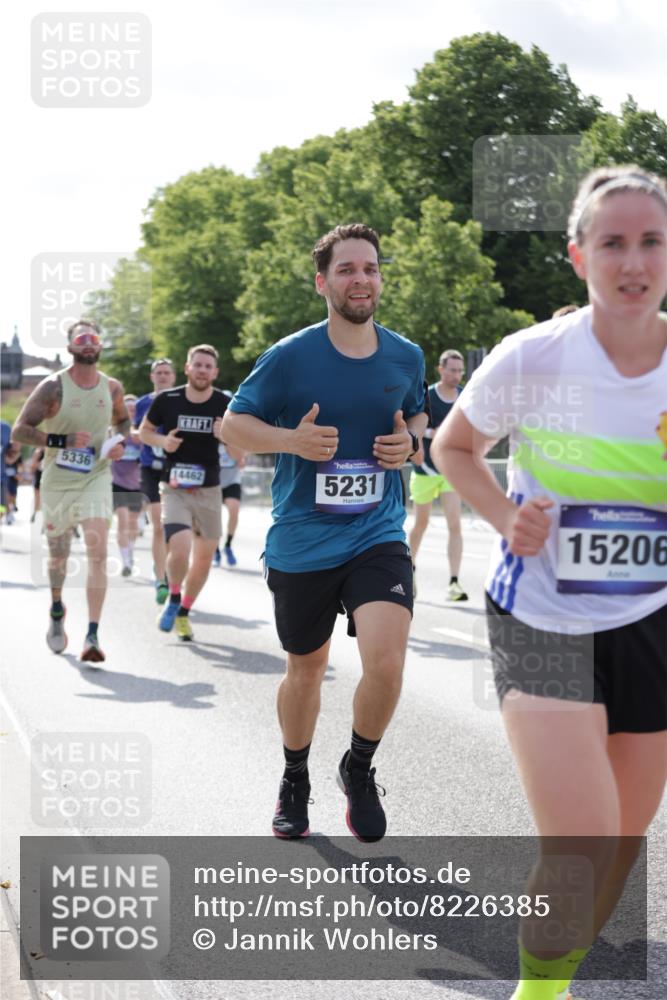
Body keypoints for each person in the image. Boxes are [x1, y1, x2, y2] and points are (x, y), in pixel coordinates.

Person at [431, 166, 667, 1000]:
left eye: (651, 242)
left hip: (650, 621)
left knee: (622, 842)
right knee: (581, 843)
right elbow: (453, 448)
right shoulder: (534, 356)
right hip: (540, 617)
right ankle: (536, 993)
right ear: (578, 256)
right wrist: (505, 517)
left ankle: (554, 980)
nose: (632, 262)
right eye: (612, 243)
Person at [222, 223, 427, 843]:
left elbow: (416, 413)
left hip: (377, 532)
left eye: (370, 268)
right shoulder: (291, 356)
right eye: (346, 270)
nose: (360, 279)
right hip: (305, 539)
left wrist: (409, 443)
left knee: (387, 662)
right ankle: (294, 777)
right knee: (306, 668)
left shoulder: (406, 355)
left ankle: (358, 768)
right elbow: (233, 425)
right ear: (322, 283)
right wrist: (291, 440)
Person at [11, 320, 129, 661]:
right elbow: (20, 430)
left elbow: (123, 421)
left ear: (100, 346)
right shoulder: (52, 387)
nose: (89, 343)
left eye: (94, 338)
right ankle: (57, 607)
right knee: (59, 556)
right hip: (58, 481)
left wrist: (117, 442)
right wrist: (60, 441)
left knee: (97, 552)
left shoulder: (112, 388)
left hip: (96, 475)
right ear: (71, 348)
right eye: (82, 339)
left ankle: (92, 636)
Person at [139, 344, 230, 642]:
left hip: (209, 490)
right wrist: (163, 442)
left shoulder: (225, 404)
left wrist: (226, 436)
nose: (202, 370)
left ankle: (184, 612)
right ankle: (174, 595)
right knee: (180, 548)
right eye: (197, 365)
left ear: (215, 373)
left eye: (208, 366)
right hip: (174, 487)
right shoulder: (168, 400)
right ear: (187, 368)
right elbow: (144, 432)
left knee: (203, 560)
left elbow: (240, 453)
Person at [408, 349, 468, 601]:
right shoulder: (428, 395)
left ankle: (454, 582)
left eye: (460, 371)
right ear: (441, 369)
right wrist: (434, 435)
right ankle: (408, 570)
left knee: (455, 524)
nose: (457, 375)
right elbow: (415, 427)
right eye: (452, 370)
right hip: (425, 470)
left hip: (451, 471)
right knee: (421, 524)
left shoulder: (465, 397)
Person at [134, 358, 177, 603]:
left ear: (174, 377)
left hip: (174, 467)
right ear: (152, 377)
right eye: (158, 372)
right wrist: (142, 436)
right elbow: (134, 429)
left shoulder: (180, 400)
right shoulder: (142, 403)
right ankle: (161, 578)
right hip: (150, 467)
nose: (162, 376)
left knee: (172, 526)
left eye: (166, 372)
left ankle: (164, 564)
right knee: (159, 524)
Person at [111, 395, 143, 577]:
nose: (130, 412)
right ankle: (125, 562)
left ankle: (130, 551)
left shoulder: (142, 434)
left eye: (133, 409)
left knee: (132, 523)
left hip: (136, 485)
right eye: (127, 409)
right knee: (122, 521)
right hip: (117, 483)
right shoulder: (114, 433)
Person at [212, 402, 246, 567]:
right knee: (214, 516)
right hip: (214, 482)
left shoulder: (235, 433)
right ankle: (215, 550)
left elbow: (240, 456)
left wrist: (225, 438)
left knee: (234, 509)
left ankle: (228, 545)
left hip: (232, 480)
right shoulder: (210, 433)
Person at [29, 447, 45, 522]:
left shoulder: (54, 451)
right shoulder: (38, 452)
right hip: (39, 477)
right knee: (37, 498)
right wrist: (41, 464)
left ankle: (44, 517)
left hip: (50, 479)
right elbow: (33, 466)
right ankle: (35, 514)